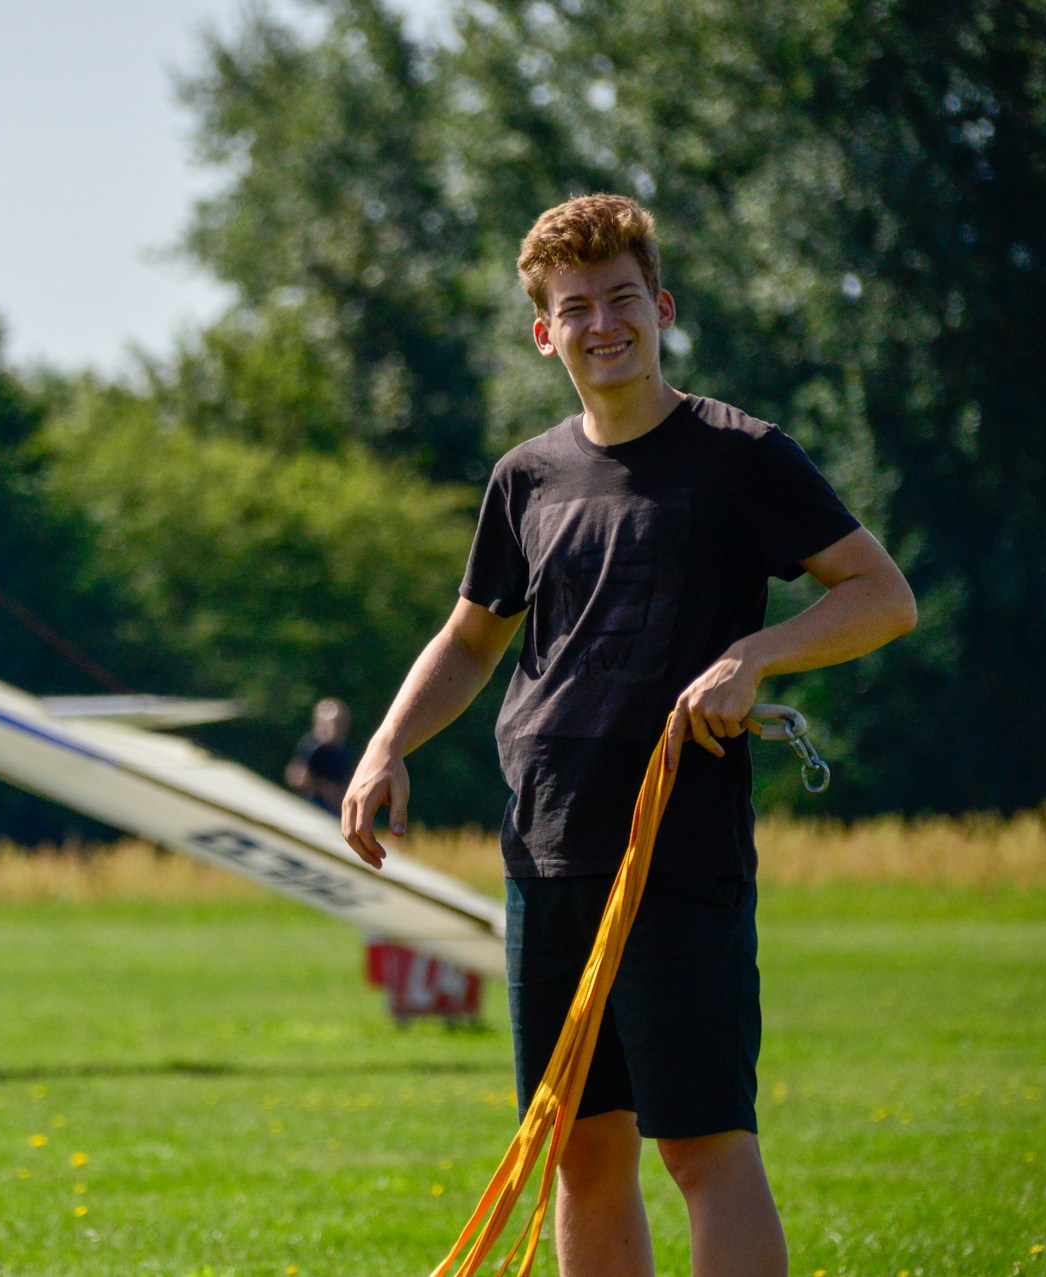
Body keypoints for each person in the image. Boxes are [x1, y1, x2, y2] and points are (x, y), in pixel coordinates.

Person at [341, 194, 915, 1277]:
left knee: (703, 1143)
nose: (602, 324)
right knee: (579, 1146)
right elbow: (471, 641)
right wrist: (386, 744)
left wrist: (756, 654)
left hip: (676, 852)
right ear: (542, 332)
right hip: (545, 851)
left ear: (661, 305)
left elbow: (883, 598)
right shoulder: (526, 477)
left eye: (621, 299)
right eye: (575, 307)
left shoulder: (741, 455)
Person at [286, 696, 353, 814]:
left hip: (332, 812)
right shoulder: (312, 746)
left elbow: (346, 792)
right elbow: (294, 776)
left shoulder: (344, 756)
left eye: (339, 724)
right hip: (307, 803)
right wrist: (320, 787)